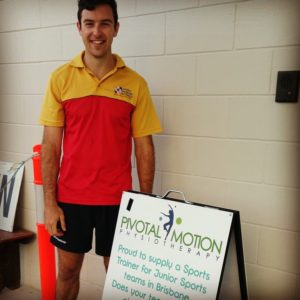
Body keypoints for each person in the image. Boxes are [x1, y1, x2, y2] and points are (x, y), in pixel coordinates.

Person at [39, 0, 162, 299]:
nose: (97, 32)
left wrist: (145, 203)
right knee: (67, 272)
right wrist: (50, 203)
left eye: (105, 23)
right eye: (90, 23)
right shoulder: (60, 79)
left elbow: (144, 146)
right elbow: (50, 146)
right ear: (79, 28)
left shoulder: (135, 83)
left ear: (116, 28)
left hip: (119, 201)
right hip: (71, 199)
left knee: (121, 279)